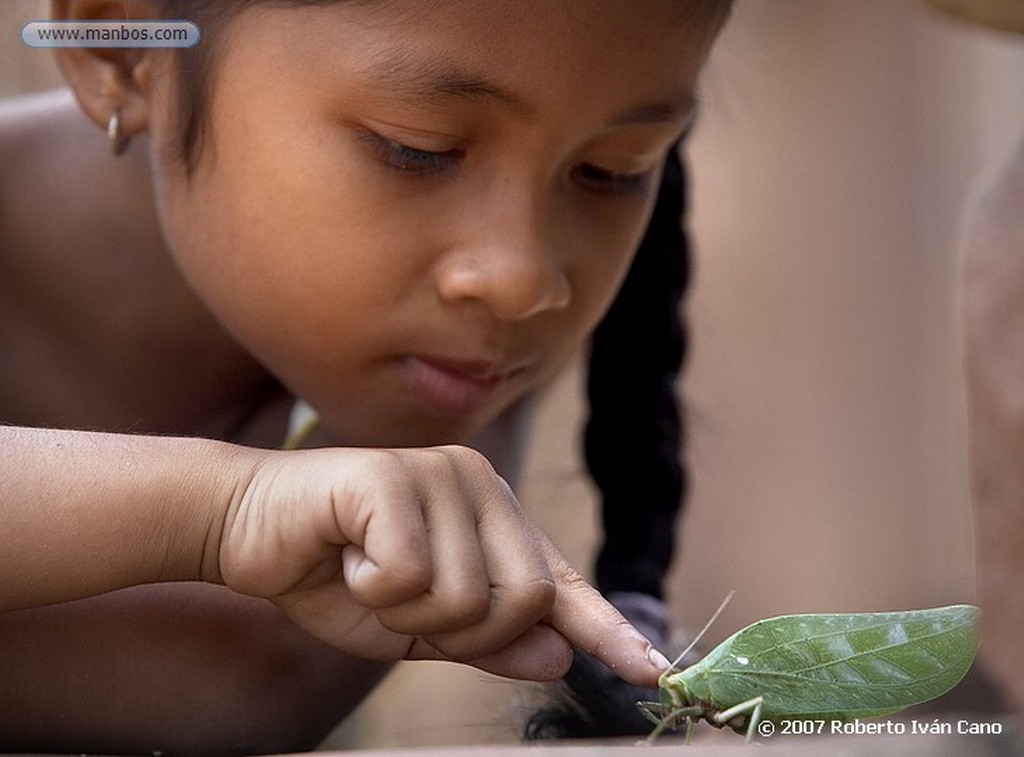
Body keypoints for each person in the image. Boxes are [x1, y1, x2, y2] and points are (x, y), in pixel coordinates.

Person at [0, 0, 733, 753]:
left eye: (612, 171)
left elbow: (243, 681)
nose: (523, 279)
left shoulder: (451, 338)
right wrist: (219, 512)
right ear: (121, 51)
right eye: (418, 148)